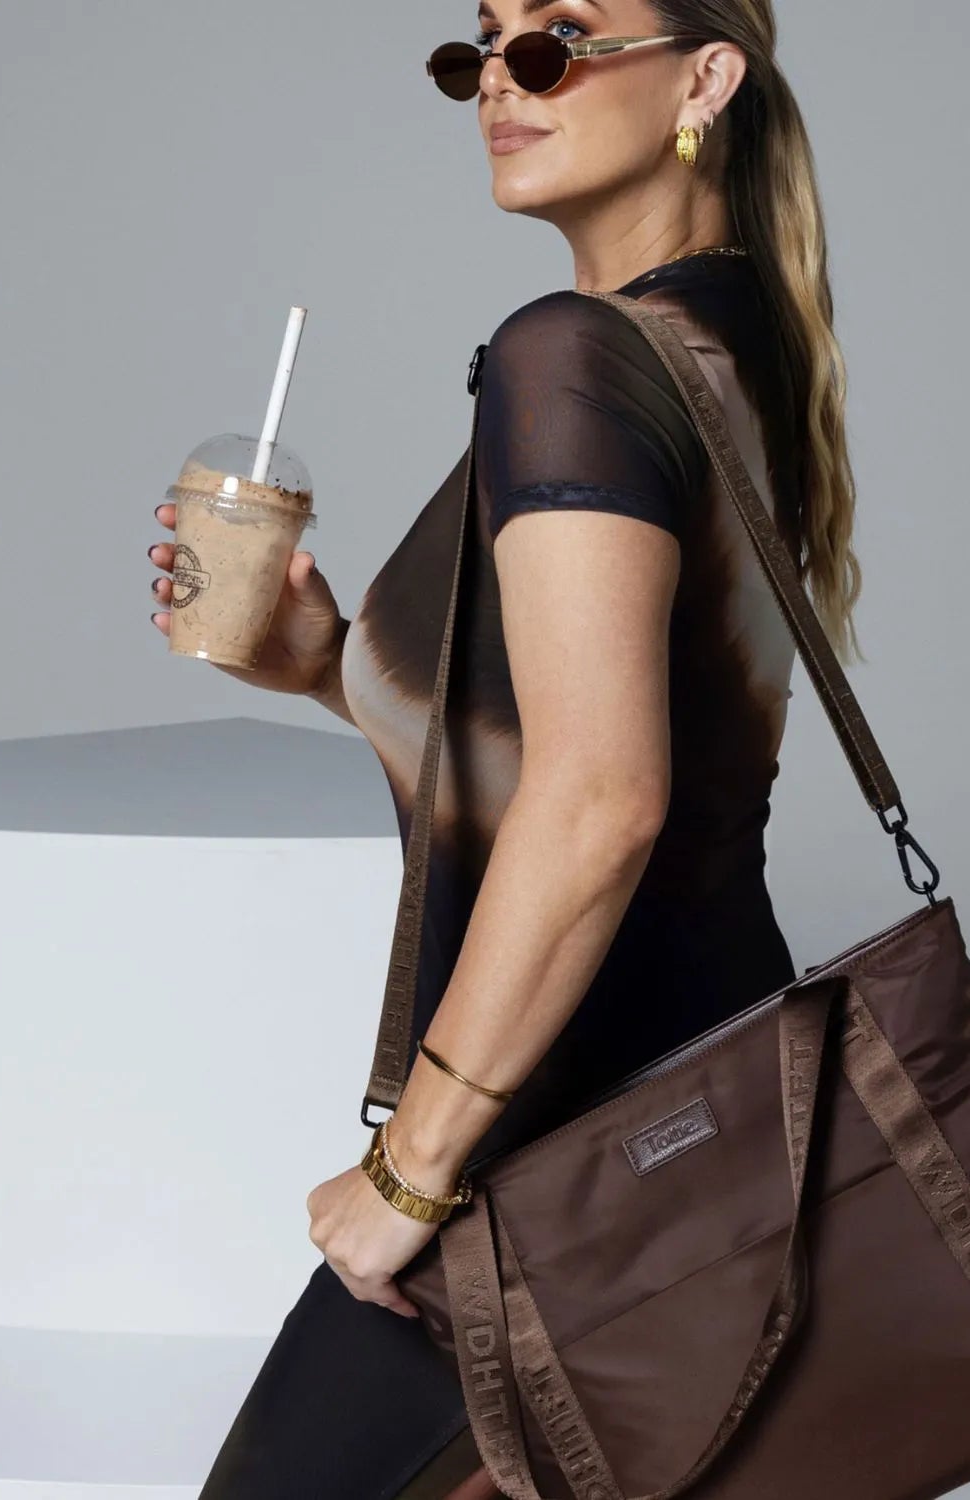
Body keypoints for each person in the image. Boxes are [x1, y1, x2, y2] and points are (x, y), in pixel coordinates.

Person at [148, 3, 865, 1495]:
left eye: (559, 38)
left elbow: (605, 801)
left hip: (567, 1141)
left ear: (706, 76)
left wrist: (412, 1171)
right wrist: (331, 670)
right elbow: (600, 754)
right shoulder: (731, 338)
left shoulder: (572, 357)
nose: (499, 80)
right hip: (703, 1124)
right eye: (481, 43)